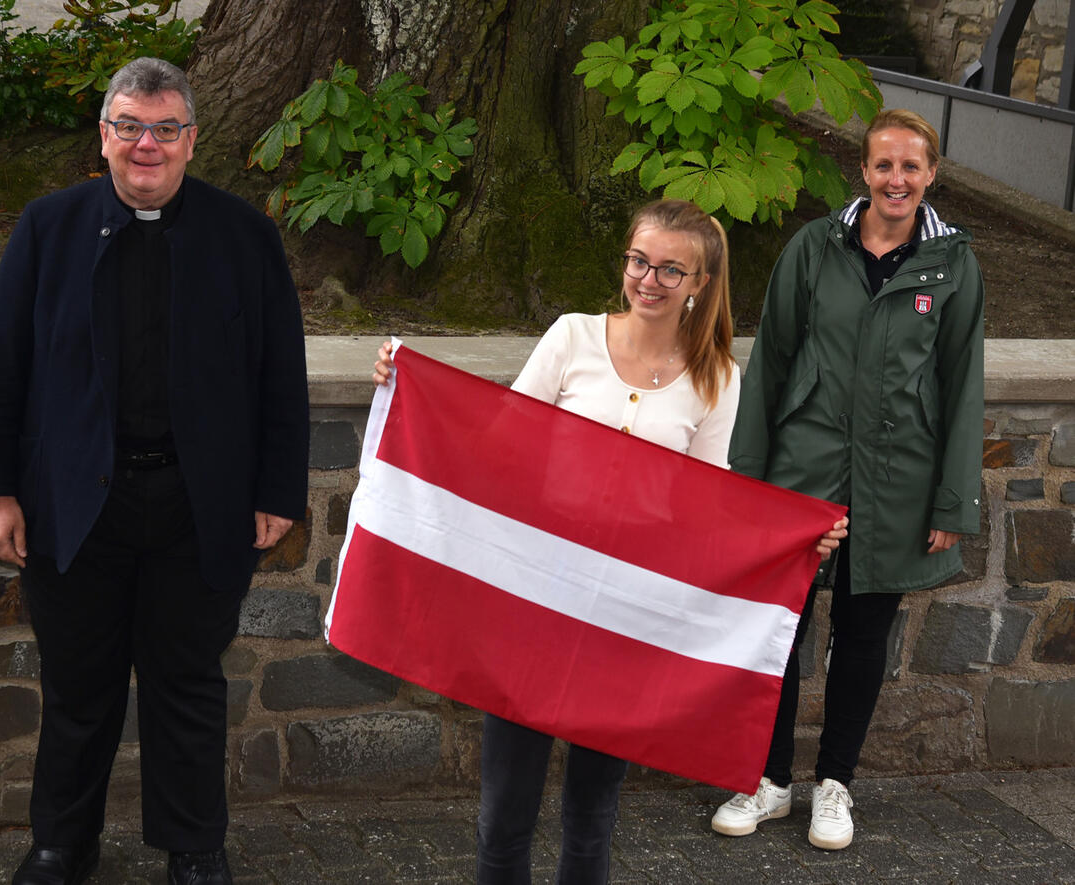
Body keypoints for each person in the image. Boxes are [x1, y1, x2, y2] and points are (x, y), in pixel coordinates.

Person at [373, 199, 847, 884]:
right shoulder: (573, 337)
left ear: (699, 283)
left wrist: (801, 539)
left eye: (668, 269)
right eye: (637, 261)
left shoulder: (716, 379)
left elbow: (708, 511)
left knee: (591, 820)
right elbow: (502, 439)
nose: (648, 280)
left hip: (623, 621)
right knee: (505, 814)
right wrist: (409, 384)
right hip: (536, 604)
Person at [0, 58, 309, 885]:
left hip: (200, 505)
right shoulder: (48, 226)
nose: (144, 144)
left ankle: (194, 848)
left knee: (187, 685)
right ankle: (61, 844)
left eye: (163, 129)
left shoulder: (244, 235)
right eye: (128, 126)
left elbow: (279, 374)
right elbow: (0, 363)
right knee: (78, 689)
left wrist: (276, 490)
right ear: (105, 136)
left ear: (191, 139)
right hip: (74, 503)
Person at [712, 108, 984, 851]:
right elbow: (770, 362)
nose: (896, 178)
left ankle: (835, 784)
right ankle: (767, 781)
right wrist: (749, 478)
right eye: (883, 165)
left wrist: (952, 498)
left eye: (911, 166)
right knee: (779, 627)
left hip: (898, 479)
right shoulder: (814, 246)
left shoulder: (954, 264)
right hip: (805, 467)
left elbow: (963, 385)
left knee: (864, 634)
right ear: (863, 173)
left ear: (931, 175)